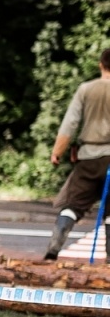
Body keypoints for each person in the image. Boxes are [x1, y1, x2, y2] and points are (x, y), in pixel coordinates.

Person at [47, 48, 110, 260]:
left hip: (89, 157)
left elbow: (70, 123)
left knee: (72, 205)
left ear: (101, 64)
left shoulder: (85, 89)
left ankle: (53, 249)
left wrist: (58, 152)